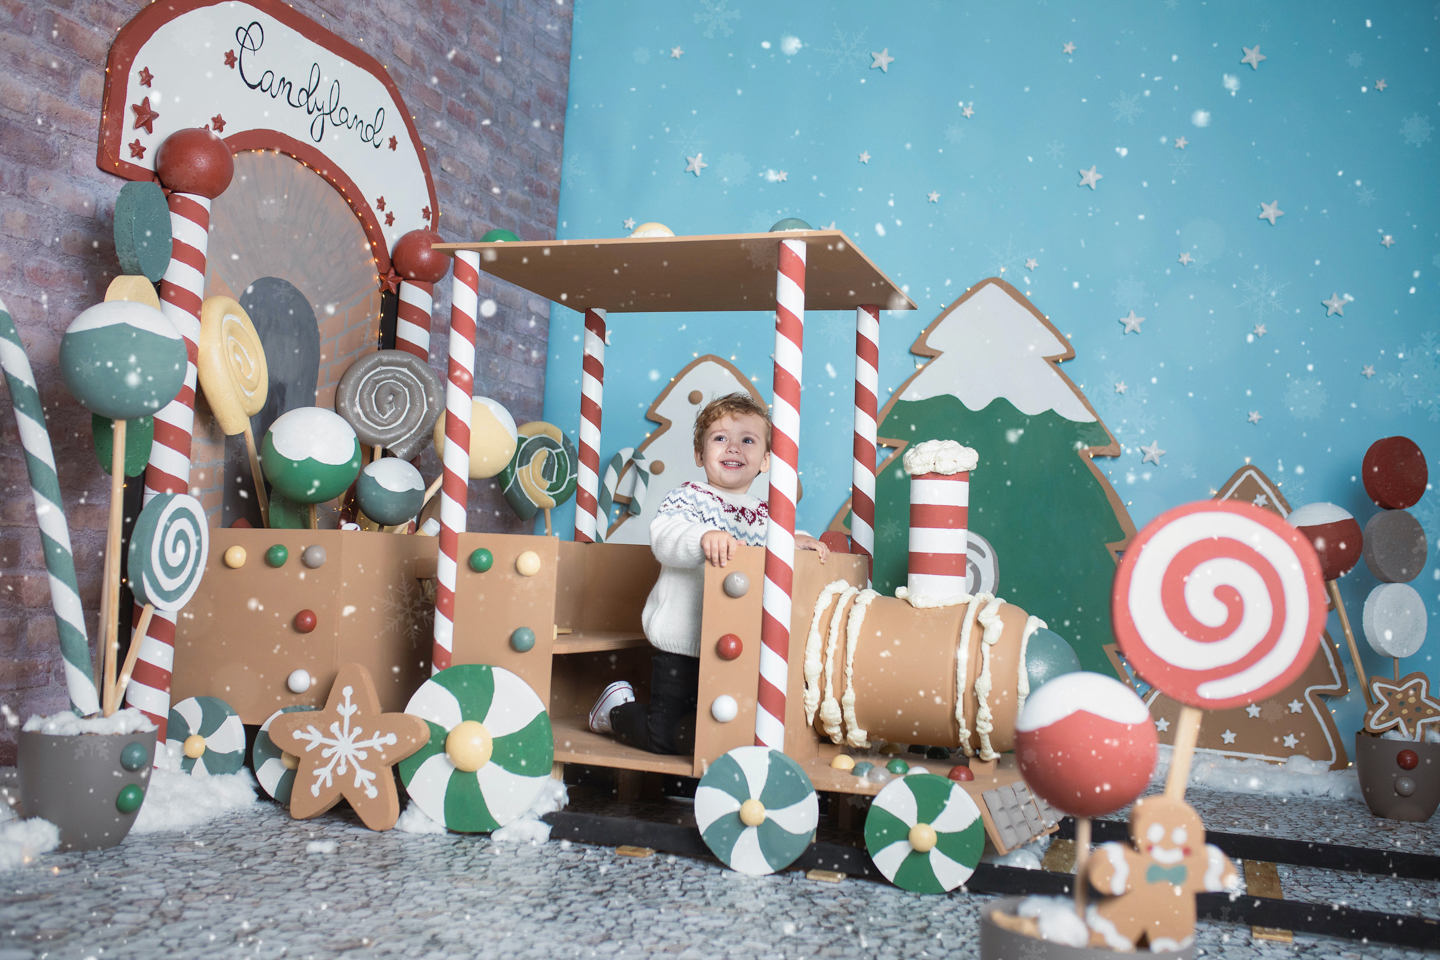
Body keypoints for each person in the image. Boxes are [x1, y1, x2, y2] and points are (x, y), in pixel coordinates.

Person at [588, 392, 828, 754]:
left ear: (765, 461)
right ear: (700, 455)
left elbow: (770, 551)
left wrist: (795, 541)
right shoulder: (689, 497)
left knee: (720, 730)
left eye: (747, 440)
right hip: (683, 643)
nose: (733, 448)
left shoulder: (765, 514)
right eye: (720, 439)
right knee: (665, 737)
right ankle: (616, 711)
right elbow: (664, 538)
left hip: (738, 647)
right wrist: (702, 537)